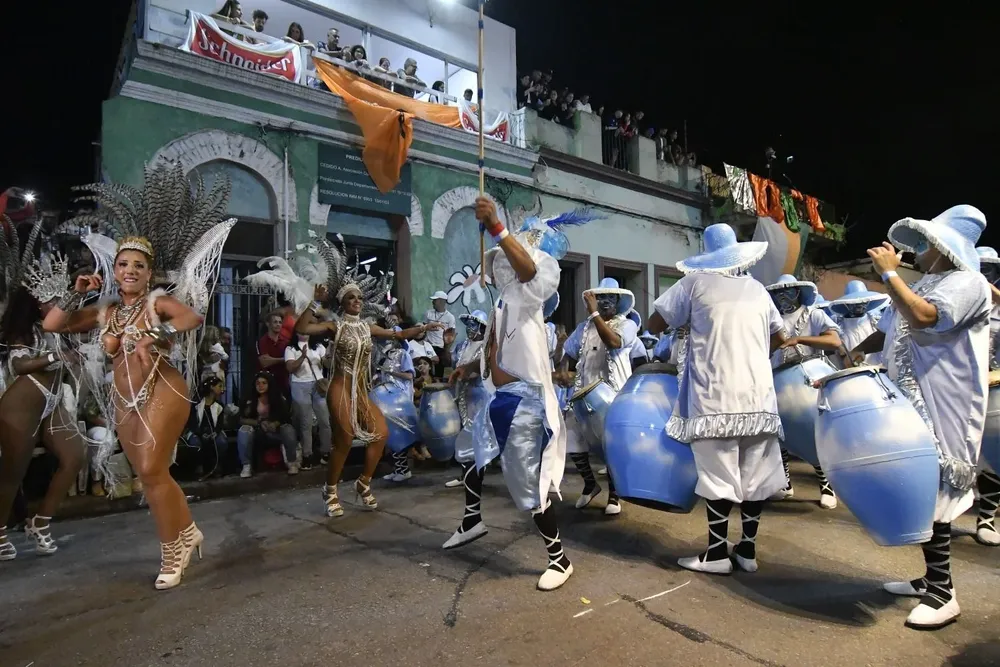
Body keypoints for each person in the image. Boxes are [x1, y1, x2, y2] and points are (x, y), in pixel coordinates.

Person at [42, 163, 237, 589]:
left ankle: (173, 551)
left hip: (163, 388)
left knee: (150, 467)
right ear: (114, 270)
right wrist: (76, 290)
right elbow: (53, 325)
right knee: (152, 477)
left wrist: (155, 334)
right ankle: (187, 532)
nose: (130, 271)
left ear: (149, 273)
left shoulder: (158, 301)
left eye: (138, 266)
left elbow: (192, 317)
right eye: (123, 264)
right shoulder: (104, 311)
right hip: (123, 399)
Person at [444, 199, 600, 591]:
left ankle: (559, 559)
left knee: (529, 485)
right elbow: (494, 346)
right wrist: (471, 365)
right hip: (499, 396)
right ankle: (472, 519)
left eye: (508, 258)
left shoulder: (531, 299)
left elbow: (530, 271)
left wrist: (498, 226)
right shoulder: (502, 303)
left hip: (525, 402)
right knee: (468, 452)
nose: (503, 267)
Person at [852, 205, 991, 629]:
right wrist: (854, 353)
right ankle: (929, 579)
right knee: (919, 486)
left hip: (947, 401)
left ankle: (944, 594)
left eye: (929, 243)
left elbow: (926, 316)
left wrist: (891, 275)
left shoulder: (970, 283)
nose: (921, 250)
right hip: (912, 399)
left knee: (938, 492)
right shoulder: (929, 280)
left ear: (945, 246)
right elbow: (891, 323)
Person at [647, 223, 787, 575]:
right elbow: (781, 337)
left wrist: (689, 324)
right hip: (759, 400)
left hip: (715, 398)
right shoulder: (757, 289)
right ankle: (748, 551)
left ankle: (717, 555)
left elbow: (652, 324)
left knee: (718, 476)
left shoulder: (694, 283)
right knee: (756, 476)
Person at [294, 235, 443, 517]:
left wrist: (423, 327)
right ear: (343, 302)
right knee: (346, 439)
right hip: (340, 387)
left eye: (360, 297)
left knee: (380, 435)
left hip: (361, 390)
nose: (358, 301)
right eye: (352, 297)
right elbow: (302, 329)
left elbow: (397, 333)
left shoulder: (368, 328)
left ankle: (363, 484)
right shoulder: (333, 327)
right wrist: (314, 304)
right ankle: (330, 489)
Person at [0, 236, 85, 562]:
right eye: (51, 299)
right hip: (22, 403)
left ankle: (41, 521)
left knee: (75, 456)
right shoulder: (24, 330)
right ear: (36, 302)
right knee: (12, 473)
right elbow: (20, 365)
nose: (56, 303)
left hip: (51, 403)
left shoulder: (59, 326)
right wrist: (53, 359)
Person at [562, 278, 639, 517]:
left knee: (611, 447)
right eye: (601, 297)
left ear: (617, 303)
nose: (605, 302)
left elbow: (614, 342)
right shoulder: (584, 327)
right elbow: (568, 350)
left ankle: (614, 495)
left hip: (613, 396)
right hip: (584, 394)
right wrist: (562, 366)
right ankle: (589, 484)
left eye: (610, 298)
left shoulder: (627, 325)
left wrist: (595, 314)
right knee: (572, 440)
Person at [765, 274, 843, 510]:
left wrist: (800, 339)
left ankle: (826, 485)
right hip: (776, 378)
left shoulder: (814, 314)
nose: (783, 296)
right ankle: (785, 483)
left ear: (799, 293)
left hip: (809, 377)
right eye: (779, 292)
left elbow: (834, 341)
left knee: (814, 430)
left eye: (789, 291)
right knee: (779, 434)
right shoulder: (771, 319)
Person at [443, 310, 489, 491]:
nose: (470, 329)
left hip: (479, 396)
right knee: (464, 436)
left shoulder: (487, 347)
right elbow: (449, 363)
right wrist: (447, 346)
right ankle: (466, 475)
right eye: (468, 325)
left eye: (474, 325)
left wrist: (465, 374)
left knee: (477, 436)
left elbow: (483, 371)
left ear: (482, 327)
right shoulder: (462, 345)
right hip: (461, 396)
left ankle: (477, 476)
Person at [973, 246, 1000, 547]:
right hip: (961, 384)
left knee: (993, 454)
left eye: (988, 269)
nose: (982, 273)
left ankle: (987, 518)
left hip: (994, 384)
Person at [285, 332, 332, 470]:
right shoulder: (290, 349)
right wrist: (302, 357)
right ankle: (307, 456)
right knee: (306, 423)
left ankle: (326, 452)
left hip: (318, 384)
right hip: (300, 385)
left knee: (324, 420)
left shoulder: (318, 347)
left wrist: (329, 354)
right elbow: (290, 368)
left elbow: (328, 365)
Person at [237, 370, 297, 477]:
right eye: (258, 383)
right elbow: (242, 419)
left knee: (288, 429)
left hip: (275, 430)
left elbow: (285, 417)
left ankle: (292, 463)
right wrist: (259, 422)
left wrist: (274, 423)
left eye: (264, 383)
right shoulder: (249, 398)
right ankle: (246, 466)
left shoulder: (278, 398)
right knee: (244, 431)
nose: (260, 386)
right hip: (257, 431)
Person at [377, 329, 417, 482]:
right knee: (391, 434)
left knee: (399, 435)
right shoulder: (386, 355)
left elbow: (409, 375)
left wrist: (391, 373)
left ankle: (404, 470)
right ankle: (398, 469)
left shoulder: (403, 354)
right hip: (388, 399)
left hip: (400, 399)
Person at [829, 280, 889, 368]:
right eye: (855, 303)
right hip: (848, 372)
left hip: (876, 371)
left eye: (863, 302)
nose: (859, 305)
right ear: (846, 303)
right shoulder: (837, 323)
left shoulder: (876, 320)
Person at [185, 376, 230, 478]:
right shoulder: (197, 404)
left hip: (213, 432)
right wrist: (200, 433)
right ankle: (198, 466)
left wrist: (215, 432)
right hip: (197, 431)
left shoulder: (219, 406)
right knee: (195, 443)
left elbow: (220, 424)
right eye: (219, 386)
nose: (222, 389)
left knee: (222, 442)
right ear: (211, 387)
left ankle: (218, 465)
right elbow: (192, 423)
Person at [424, 292, 456, 378]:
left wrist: (447, 350)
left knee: (439, 373)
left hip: (440, 347)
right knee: (427, 370)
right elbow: (423, 328)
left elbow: (451, 335)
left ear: (442, 302)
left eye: (435, 300)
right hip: (428, 346)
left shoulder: (450, 317)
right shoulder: (428, 313)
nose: (433, 302)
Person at [257, 312, 290, 395]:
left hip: (284, 381)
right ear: (268, 324)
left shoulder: (286, 341)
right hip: (267, 382)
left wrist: (272, 359)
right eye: (275, 322)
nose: (278, 325)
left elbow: (291, 361)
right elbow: (264, 362)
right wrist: (284, 359)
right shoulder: (262, 341)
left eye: (280, 322)